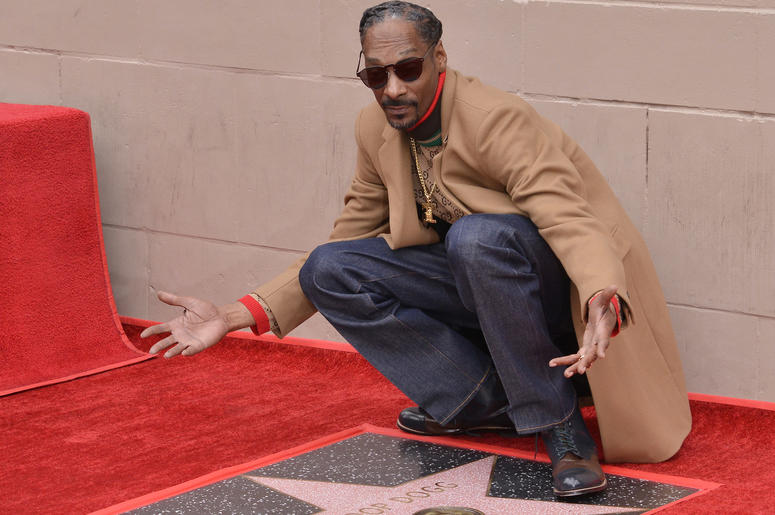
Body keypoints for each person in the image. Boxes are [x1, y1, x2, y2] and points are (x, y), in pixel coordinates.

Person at [142, 1, 691, 497]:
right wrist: (236, 314)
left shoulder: (493, 118)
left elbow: (568, 216)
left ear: (439, 58)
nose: (393, 89)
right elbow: (348, 240)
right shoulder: (375, 129)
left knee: (478, 236)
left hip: (563, 300)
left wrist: (602, 294)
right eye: (375, 75)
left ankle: (560, 426)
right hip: (482, 285)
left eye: (408, 69)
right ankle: (485, 401)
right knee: (331, 269)